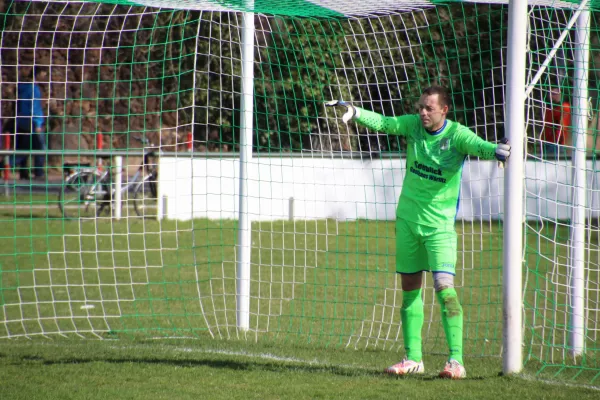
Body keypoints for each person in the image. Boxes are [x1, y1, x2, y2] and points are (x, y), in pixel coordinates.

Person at [326, 85, 510, 379]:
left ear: (444, 110)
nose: (422, 113)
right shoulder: (413, 127)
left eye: (429, 108)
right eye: (420, 107)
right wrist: (357, 113)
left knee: (445, 290)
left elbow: (480, 146)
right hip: (408, 223)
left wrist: (496, 151)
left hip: (439, 228)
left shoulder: (457, 135)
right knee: (410, 292)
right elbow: (387, 123)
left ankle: (456, 361)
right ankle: (413, 358)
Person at [14, 66, 47, 180]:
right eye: (44, 74)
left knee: (24, 147)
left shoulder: (22, 88)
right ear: (37, 74)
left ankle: (24, 173)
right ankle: (39, 173)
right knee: (40, 147)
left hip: (21, 121)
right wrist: (38, 123)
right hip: (32, 123)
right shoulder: (34, 89)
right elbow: (34, 107)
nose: (45, 77)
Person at [542, 87, 570, 159]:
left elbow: (562, 126)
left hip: (556, 143)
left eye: (554, 94)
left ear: (560, 95)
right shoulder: (549, 107)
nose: (551, 96)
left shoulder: (564, 107)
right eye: (550, 94)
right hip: (546, 141)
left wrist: (559, 141)